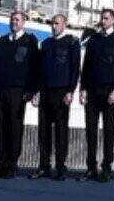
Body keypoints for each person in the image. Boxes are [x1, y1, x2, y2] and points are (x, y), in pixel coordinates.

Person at [0, 10, 38, 178]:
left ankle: (12, 164)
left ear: (23, 22)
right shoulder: (2, 41)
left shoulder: (30, 41)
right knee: (0, 127)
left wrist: (31, 89)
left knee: (15, 127)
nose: (13, 22)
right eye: (12, 19)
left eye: (17, 20)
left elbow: (34, 67)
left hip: (18, 90)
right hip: (1, 89)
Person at [80, 7, 114, 181]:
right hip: (92, 90)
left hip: (109, 90)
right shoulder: (94, 39)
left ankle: (106, 166)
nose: (103, 21)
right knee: (90, 130)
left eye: (106, 18)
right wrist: (82, 88)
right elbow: (86, 65)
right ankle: (90, 167)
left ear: (113, 20)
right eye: (102, 18)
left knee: (108, 130)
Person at [34, 13, 81, 180]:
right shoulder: (45, 44)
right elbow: (39, 70)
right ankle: (44, 166)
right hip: (45, 91)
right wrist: (37, 91)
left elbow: (75, 67)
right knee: (43, 131)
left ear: (64, 25)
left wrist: (71, 90)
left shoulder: (71, 43)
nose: (54, 26)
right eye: (52, 23)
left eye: (57, 23)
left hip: (62, 91)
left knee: (61, 131)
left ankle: (61, 167)